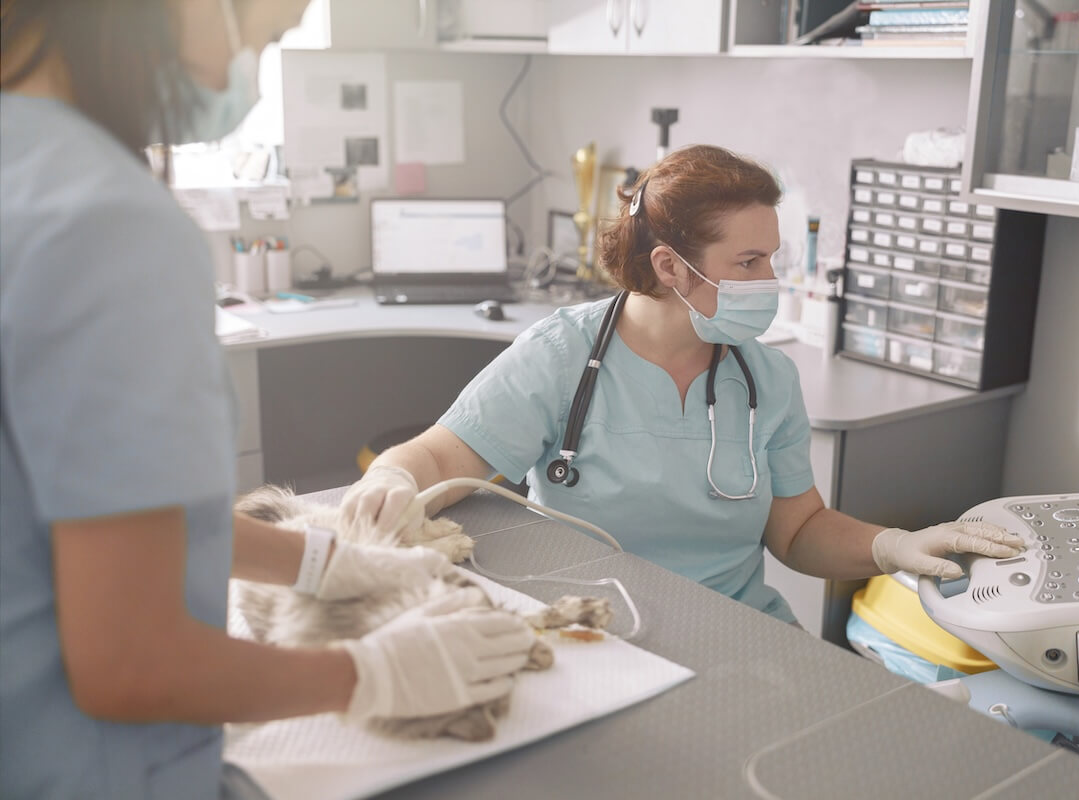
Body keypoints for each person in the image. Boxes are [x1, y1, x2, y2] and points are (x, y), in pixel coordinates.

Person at [0, 2, 534, 798]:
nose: (253, 71)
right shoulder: (107, 223)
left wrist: (323, 560)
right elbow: (131, 666)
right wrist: (368, 675)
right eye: (271, 35)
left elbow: (84, 509)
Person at [340, 144, 1023, 625]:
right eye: (749, 260)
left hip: (740, 632)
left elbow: (799, 531)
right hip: (597, 628)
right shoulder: (562, 356)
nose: (769, 280)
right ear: (670, 267)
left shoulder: (766, 376)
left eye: (772, 258)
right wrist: (391, 484)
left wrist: (893, 545)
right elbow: (434, 458)